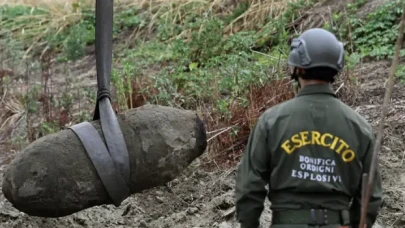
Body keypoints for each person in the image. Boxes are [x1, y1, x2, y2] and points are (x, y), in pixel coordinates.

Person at [235, 28, 383, 228]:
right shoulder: (360, 127)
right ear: (336, 68)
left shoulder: (271, 121)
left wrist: (249, 224)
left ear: (297, 67)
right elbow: (370, 196)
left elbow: (248, 188)